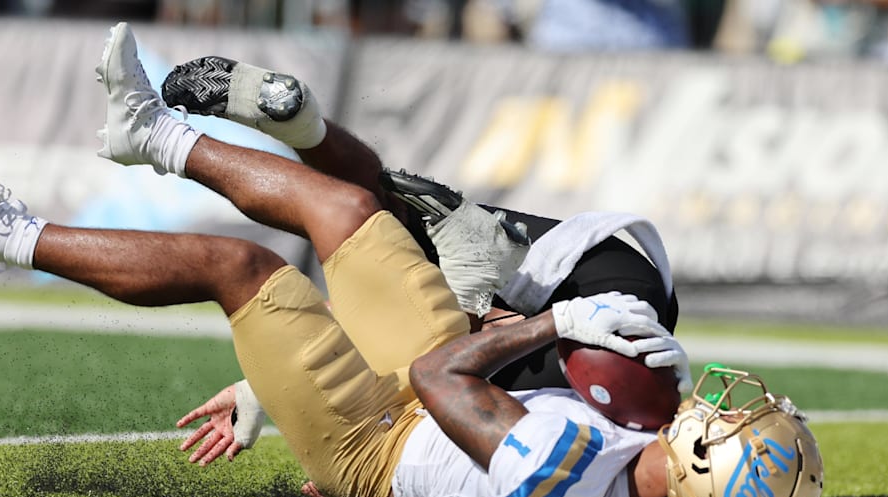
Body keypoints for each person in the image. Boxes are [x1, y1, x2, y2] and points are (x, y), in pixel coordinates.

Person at [0, 22, 822, 497]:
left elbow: (444, 380)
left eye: (735, 428)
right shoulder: (657, 489)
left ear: (703, 467)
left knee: (236, 268)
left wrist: (559, 318)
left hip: (376, 443)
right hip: (431, 396)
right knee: (347, 210)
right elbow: (497, 384)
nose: (727, 410)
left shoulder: (572, 478)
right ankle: (152, 132)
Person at [160, 48, 680, 397]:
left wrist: (259, 392)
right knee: (428, 374)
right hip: (593, 344)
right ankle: (165, 142)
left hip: (622, 275)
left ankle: (304, 127)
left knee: (389, 216)